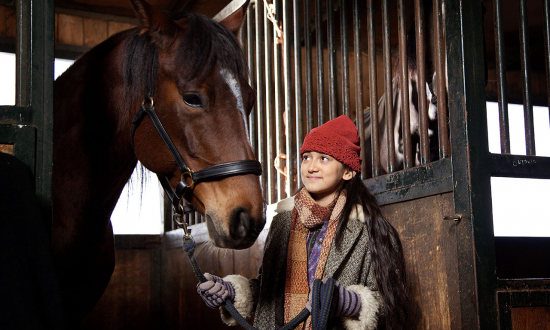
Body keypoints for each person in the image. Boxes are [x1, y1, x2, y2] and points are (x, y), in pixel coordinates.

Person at [197, 115, 408, 330]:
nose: (311, 167)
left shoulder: (370, 229)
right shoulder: (282, 222)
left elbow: (391, 306)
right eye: (307, 157)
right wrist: (231, 292)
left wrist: (348, 302)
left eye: (324, 158)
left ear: (348, 171)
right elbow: (269, 292)